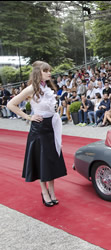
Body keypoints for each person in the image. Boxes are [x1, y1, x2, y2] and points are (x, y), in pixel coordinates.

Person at [7, 61, 67, 207]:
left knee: (52, 160)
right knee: (42, 161)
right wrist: (29, 117)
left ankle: (52, 191)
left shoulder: (48, 87)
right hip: (39, 129)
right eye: (46, 70)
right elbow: (11, 105)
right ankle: (44, 192)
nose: (49, 73)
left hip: (51, 127)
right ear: (38, 73)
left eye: (49, 70)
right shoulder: (31, 89)